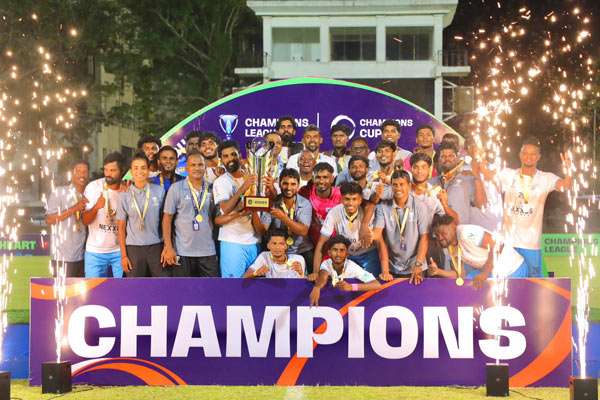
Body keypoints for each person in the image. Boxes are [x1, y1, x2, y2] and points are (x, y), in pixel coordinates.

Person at [476, 136, 572, 277]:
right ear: (520, 155)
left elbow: (565, 186)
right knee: (508, 282)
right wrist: (481, 158)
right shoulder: (508, 174)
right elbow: (487, 174)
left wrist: (569, 170)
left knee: (533, 284)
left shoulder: (546, 178)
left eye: (533, 154)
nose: (529, 157)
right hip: (509, 243)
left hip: (531, 245)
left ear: (538, 157)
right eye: (525, 153)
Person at [162, 151, 219, 277]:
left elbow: (217, 218)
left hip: (208, 251)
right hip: (182, 251)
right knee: (183, 289)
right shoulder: (176, 188)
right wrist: (169, 247)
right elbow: (167, 219)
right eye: (193, 165)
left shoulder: (212, 188)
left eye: (200, 165)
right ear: (186, 168)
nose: (197, 168)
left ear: (205, 167)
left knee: (211, 288)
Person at [430, 214, 529, 285]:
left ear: (453, 226)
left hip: (512, 269)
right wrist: (438, 271)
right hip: (493, 272)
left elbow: (497, 245)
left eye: (443, 232)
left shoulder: (466, 233)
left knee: (474, 287)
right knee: (467, 283)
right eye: (437, 235)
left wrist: (484, 274)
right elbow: (461, 274)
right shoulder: (452, 248)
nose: (440, 237)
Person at [212, 140, 260, 277]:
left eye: (233, 154)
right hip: (232, 241)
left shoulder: (252, 176)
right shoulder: (221, 182)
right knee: (233, 286)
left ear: (239, 155)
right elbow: (225, 209)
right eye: (225, 156)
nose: (230, 159)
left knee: (256, 285)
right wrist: (243, 187)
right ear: (221, 160)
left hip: (255, 240)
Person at [314, 182, 383, 276]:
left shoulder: (368, 212)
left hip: (368, 254)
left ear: (360, 200)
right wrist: (315, 272)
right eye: (347, 199)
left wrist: (385, 271)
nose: (350, 203)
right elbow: (321, 243)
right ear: (341, 199)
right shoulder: (334, 213)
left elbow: (380, 241)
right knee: (342, 282)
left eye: (354, 199)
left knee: (370, 281)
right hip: (347, 255)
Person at [373, 170, 429, 284]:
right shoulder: (382, 206)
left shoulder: (420, 206)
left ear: (409, 186)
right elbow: (378, 238)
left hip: (415, 264)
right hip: (392, 266)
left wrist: (418, 264)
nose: (398, 188)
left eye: (401, 184)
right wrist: (385, 270)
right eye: (395, 185)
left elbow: (425, 237)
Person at [117, 153, 167, 277]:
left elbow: (165, 221)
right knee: (135, 286)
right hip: (133, 248)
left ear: (149, 170)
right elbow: (121, 227)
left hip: (156, 246)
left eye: (143, 168)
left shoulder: (159, 191)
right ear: (131, 171)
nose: (140, 171)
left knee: (161, 284)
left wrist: (167, 246)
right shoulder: (124, 195)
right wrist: (123, 256)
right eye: (136, 168)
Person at [252, 168, 313, 268]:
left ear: (298, 185)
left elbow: (303, 231)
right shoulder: (272, 202)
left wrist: (284, 217)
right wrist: (253, 211)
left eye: (293, 184)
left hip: (301, 250)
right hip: (277, 250)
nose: (289, 187)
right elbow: (262, 231)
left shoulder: (305, 203)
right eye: (285, 183)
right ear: (279, 184)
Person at [81, 152, 126, 278]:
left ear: (121, 171)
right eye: (106, 170)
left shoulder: (127, 189)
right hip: (95, 251)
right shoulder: (93, 187)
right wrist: (96, 207)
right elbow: (84, 220)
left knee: (122, 288)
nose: (108, 174)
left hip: (119, 251)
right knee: (93, 289)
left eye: (112, 170)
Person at [45, 160, 89, 277]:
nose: (82, 174)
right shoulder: (59, 192)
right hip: (62, 256)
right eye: (78, 171)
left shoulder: (90, 193)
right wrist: (75, 208)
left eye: (85, 171)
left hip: (83, 256)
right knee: (63, 289)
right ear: (71, 173)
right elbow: (49, 219)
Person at [309, 235, 381, 306]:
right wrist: (317, 287)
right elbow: (323, 276)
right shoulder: (326, 263)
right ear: (329, 253)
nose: (338, 254)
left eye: (342, 250)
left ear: (347, 254)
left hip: (351, 306)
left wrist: (351, 287)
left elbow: (376, 285)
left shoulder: (352, 267)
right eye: (335, 250)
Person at [429, 142, 486, 225]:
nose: (447, 159)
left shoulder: (467, 179)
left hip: (463, 230)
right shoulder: (431, 183)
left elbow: (481, 204)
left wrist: (476, 176)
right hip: (440, 230)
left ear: (457, 159)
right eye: (443, 156)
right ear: (438, 160)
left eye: (451, 156)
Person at [299, 162, 342, 247]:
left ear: (332, 179)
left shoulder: (341, 195)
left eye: (325, 177)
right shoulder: (305, 193)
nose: (321, 181)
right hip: (310, 244)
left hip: (335, 244)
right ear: (312, 178)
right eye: (318, 177)